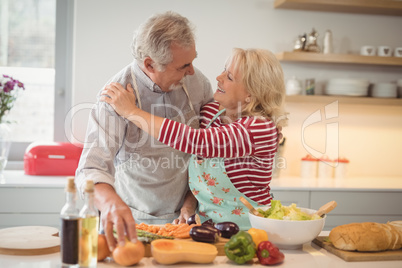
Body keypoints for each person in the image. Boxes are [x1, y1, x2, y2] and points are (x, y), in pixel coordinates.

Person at [101, 47, 288, 231]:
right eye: (224, 70)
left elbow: (195, 141)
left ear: (251, 94)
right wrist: (189, 205)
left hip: (251, 231)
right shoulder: (211, 113)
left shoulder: (260, 128)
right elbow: (200, 164)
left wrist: (132, 112)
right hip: (209, 231)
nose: (219, 78)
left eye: (229, 77)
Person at [75, 11, 213, 251]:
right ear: (149, 64)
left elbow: (204, 153)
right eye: (183, 66)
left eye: (193, 61)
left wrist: (190, 205)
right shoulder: (114, 96)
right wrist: (110, 205)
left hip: (186, 220)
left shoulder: (197, 83)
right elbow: (90, 169)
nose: (192, 71)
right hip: (132, 223)